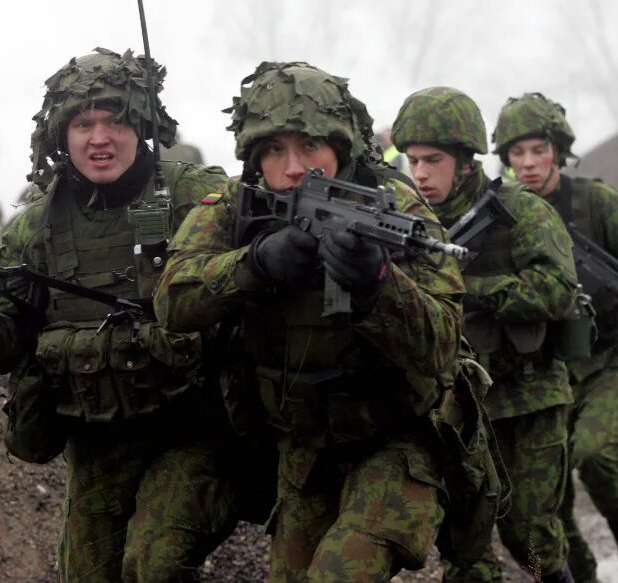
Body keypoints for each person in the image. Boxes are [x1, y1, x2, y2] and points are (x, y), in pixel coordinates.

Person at [154, 61, 478, 583]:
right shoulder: (236, 206)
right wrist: (253, 264)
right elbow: (172, 301)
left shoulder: (395, 206)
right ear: (254, 156)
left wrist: (378, 284)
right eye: (275, 150)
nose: (294, 167)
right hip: (302, 447)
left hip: (395, 439)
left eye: (310, 147)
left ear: (340, 147)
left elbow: (441, 343)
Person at [0, 47, 242, 582]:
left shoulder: (195, 195)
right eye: (83, 123)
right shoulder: (37, 227)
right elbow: (5, 350)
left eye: (116, 121)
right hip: (98, 440)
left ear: (141, 125)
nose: (99, 137)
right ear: (62, 134)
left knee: (154, 565)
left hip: (194, 430)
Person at [493, 93, 618, 583]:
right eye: (517, 153)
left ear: (558, 149)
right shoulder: (503, 211)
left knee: (595, 453)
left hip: (605, 359)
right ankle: (574, 574)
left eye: (539, 150)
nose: (529, 163)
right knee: (542, 502)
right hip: (541, 372)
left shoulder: (595, 201)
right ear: (505, 158)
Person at [392, 87, 579, 583]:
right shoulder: (411, 221)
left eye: (433, 160)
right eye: (413, 161)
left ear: (467, 161)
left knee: (530, 537)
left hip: (528, 400)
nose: (421, 173)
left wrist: (471, 287)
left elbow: (559, 289)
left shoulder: (522, 211)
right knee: (463, 546)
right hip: (458, 408)